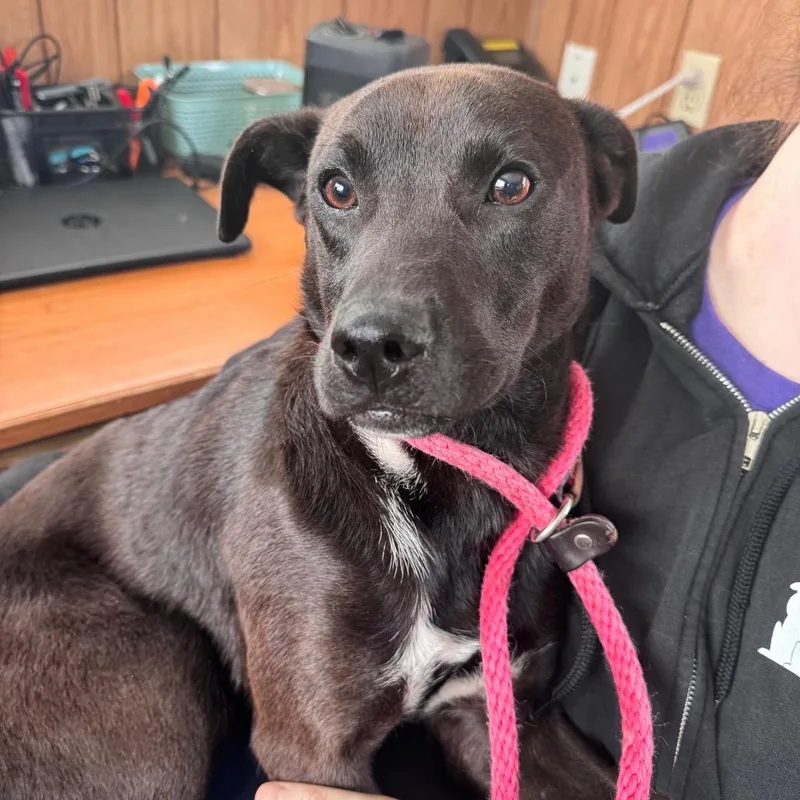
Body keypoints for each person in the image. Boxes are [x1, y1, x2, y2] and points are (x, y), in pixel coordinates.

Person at [251, 117, 800, 799]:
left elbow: (503, 720)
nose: (367, 335)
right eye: (337, 189)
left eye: (508, 186)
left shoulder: (568, 227)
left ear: (599, 191)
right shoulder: (622, 247)